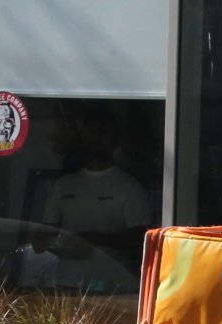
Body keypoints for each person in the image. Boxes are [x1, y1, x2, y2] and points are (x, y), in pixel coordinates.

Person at [34, 108, 150, 291]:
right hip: (67, 284)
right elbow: (44, 236)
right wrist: (45, 241)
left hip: (114, 287)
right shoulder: (63, 185)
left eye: (102, 133)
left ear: (114, 140)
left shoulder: (129, 187)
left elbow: (142, 241)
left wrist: (95, 240)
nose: (95, 139)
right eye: (90, 133)